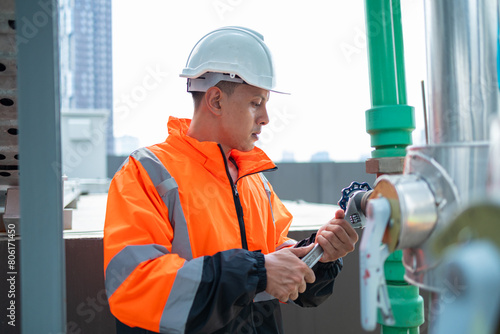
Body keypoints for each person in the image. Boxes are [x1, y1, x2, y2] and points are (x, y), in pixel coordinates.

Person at [103, 26, 359, 334]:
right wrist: (256, 272)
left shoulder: (255, 184)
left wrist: (320, 254)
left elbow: (279, 263)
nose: (266, 117)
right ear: (215, 100)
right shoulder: (147, 173)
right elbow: (135, 287)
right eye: (255, 102)